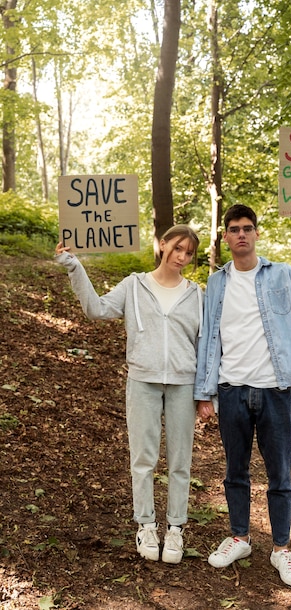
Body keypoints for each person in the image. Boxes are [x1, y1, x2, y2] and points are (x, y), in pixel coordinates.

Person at [194, 204, 291, 586]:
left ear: (257, 234)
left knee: (280, 474)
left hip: (274, 391)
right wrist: (204, 392)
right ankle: (239, 537)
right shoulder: (217, 284)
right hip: (231, 390)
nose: (241, 234)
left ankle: (281, 549)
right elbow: (209, 337)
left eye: (248, 228)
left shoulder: (282, 275)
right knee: (234, 472)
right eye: (234, 229)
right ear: (225, 237)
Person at [55, 225, 203, 565]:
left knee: (180, 462)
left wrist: (208, 392)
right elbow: (96, 309)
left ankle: (176, 530)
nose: (182, 256)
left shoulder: (197, 295)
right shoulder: (134, 285)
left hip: (183, 384)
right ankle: (147, 525)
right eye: (177, 248)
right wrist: (75, 267)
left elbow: (207, 346)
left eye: (189, 252)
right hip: (142, 381)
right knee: (143, 460)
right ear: (162, 245)